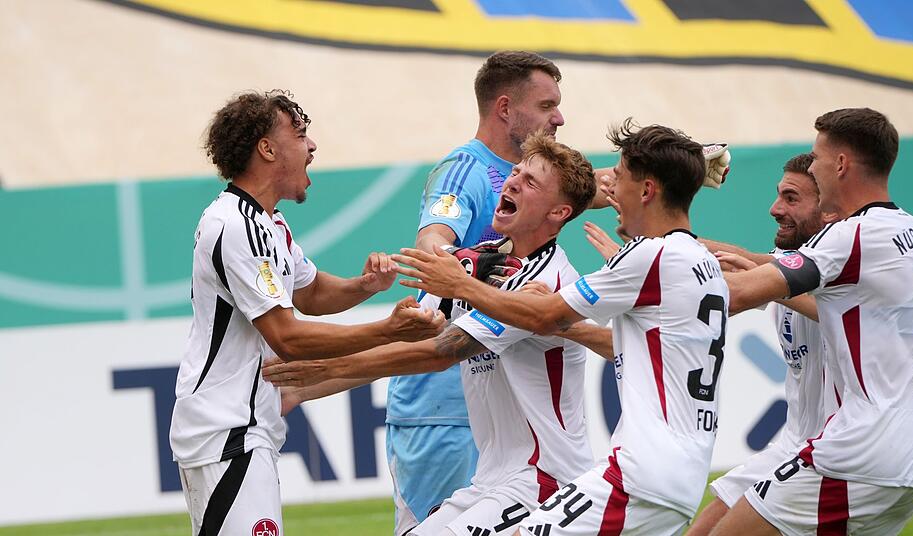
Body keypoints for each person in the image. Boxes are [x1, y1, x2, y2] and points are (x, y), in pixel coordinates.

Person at [393, 121, 730, 535]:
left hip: (630, 473)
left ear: (647, 190)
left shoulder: (645, 258)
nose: (611, 192)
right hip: (669, 469)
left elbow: (540, 315)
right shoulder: (696, 260)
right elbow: (581, 327)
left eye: (619, 179)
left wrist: (461, 284)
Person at [263, 132, 597, 535]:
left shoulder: (543, 281)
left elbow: (442, 352)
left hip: (544, 481)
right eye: (515, 172)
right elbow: (411, 339)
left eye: (530, 182)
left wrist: (323, 367)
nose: (512, 182)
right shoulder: (480, 264)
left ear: (559, 212)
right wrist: (303, 389)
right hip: (494, 478)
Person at [169, 90, 444, 536]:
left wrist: (365, 285)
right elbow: (288, 337)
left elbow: (311, 292)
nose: (312, 145)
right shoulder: (236, 224)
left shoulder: (269, 222)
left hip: (241, 428)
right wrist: (389, 330)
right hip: (227, 430)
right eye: (299, 135)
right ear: (267, 148)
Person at [711, 108, 913, 535]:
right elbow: (770, 265)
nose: (814, 168)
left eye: (817, 159)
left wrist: (653, 271)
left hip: (861, 448)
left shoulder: (852, 235)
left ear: (840, 164)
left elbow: (740, 293)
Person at [388, 50, 569, 536]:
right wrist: (460, 261)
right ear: (505, 108)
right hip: (441, 409)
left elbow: (590, 187)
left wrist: (682, 166)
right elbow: (431, 242)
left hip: (494, 412)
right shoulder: (463, 170)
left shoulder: (525, 177)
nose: (559, 118)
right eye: (547, 105)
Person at [686, 153, 841, 536]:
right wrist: (657, 243)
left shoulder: (847, 265)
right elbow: (741, 262)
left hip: (837, 450)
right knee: (702, 530)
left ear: (828, 209)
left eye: (791, 198)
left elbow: (831, 310)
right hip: (794, 443)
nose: (774, 209)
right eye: (778, 195)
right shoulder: (788, 264)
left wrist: (769, 283)